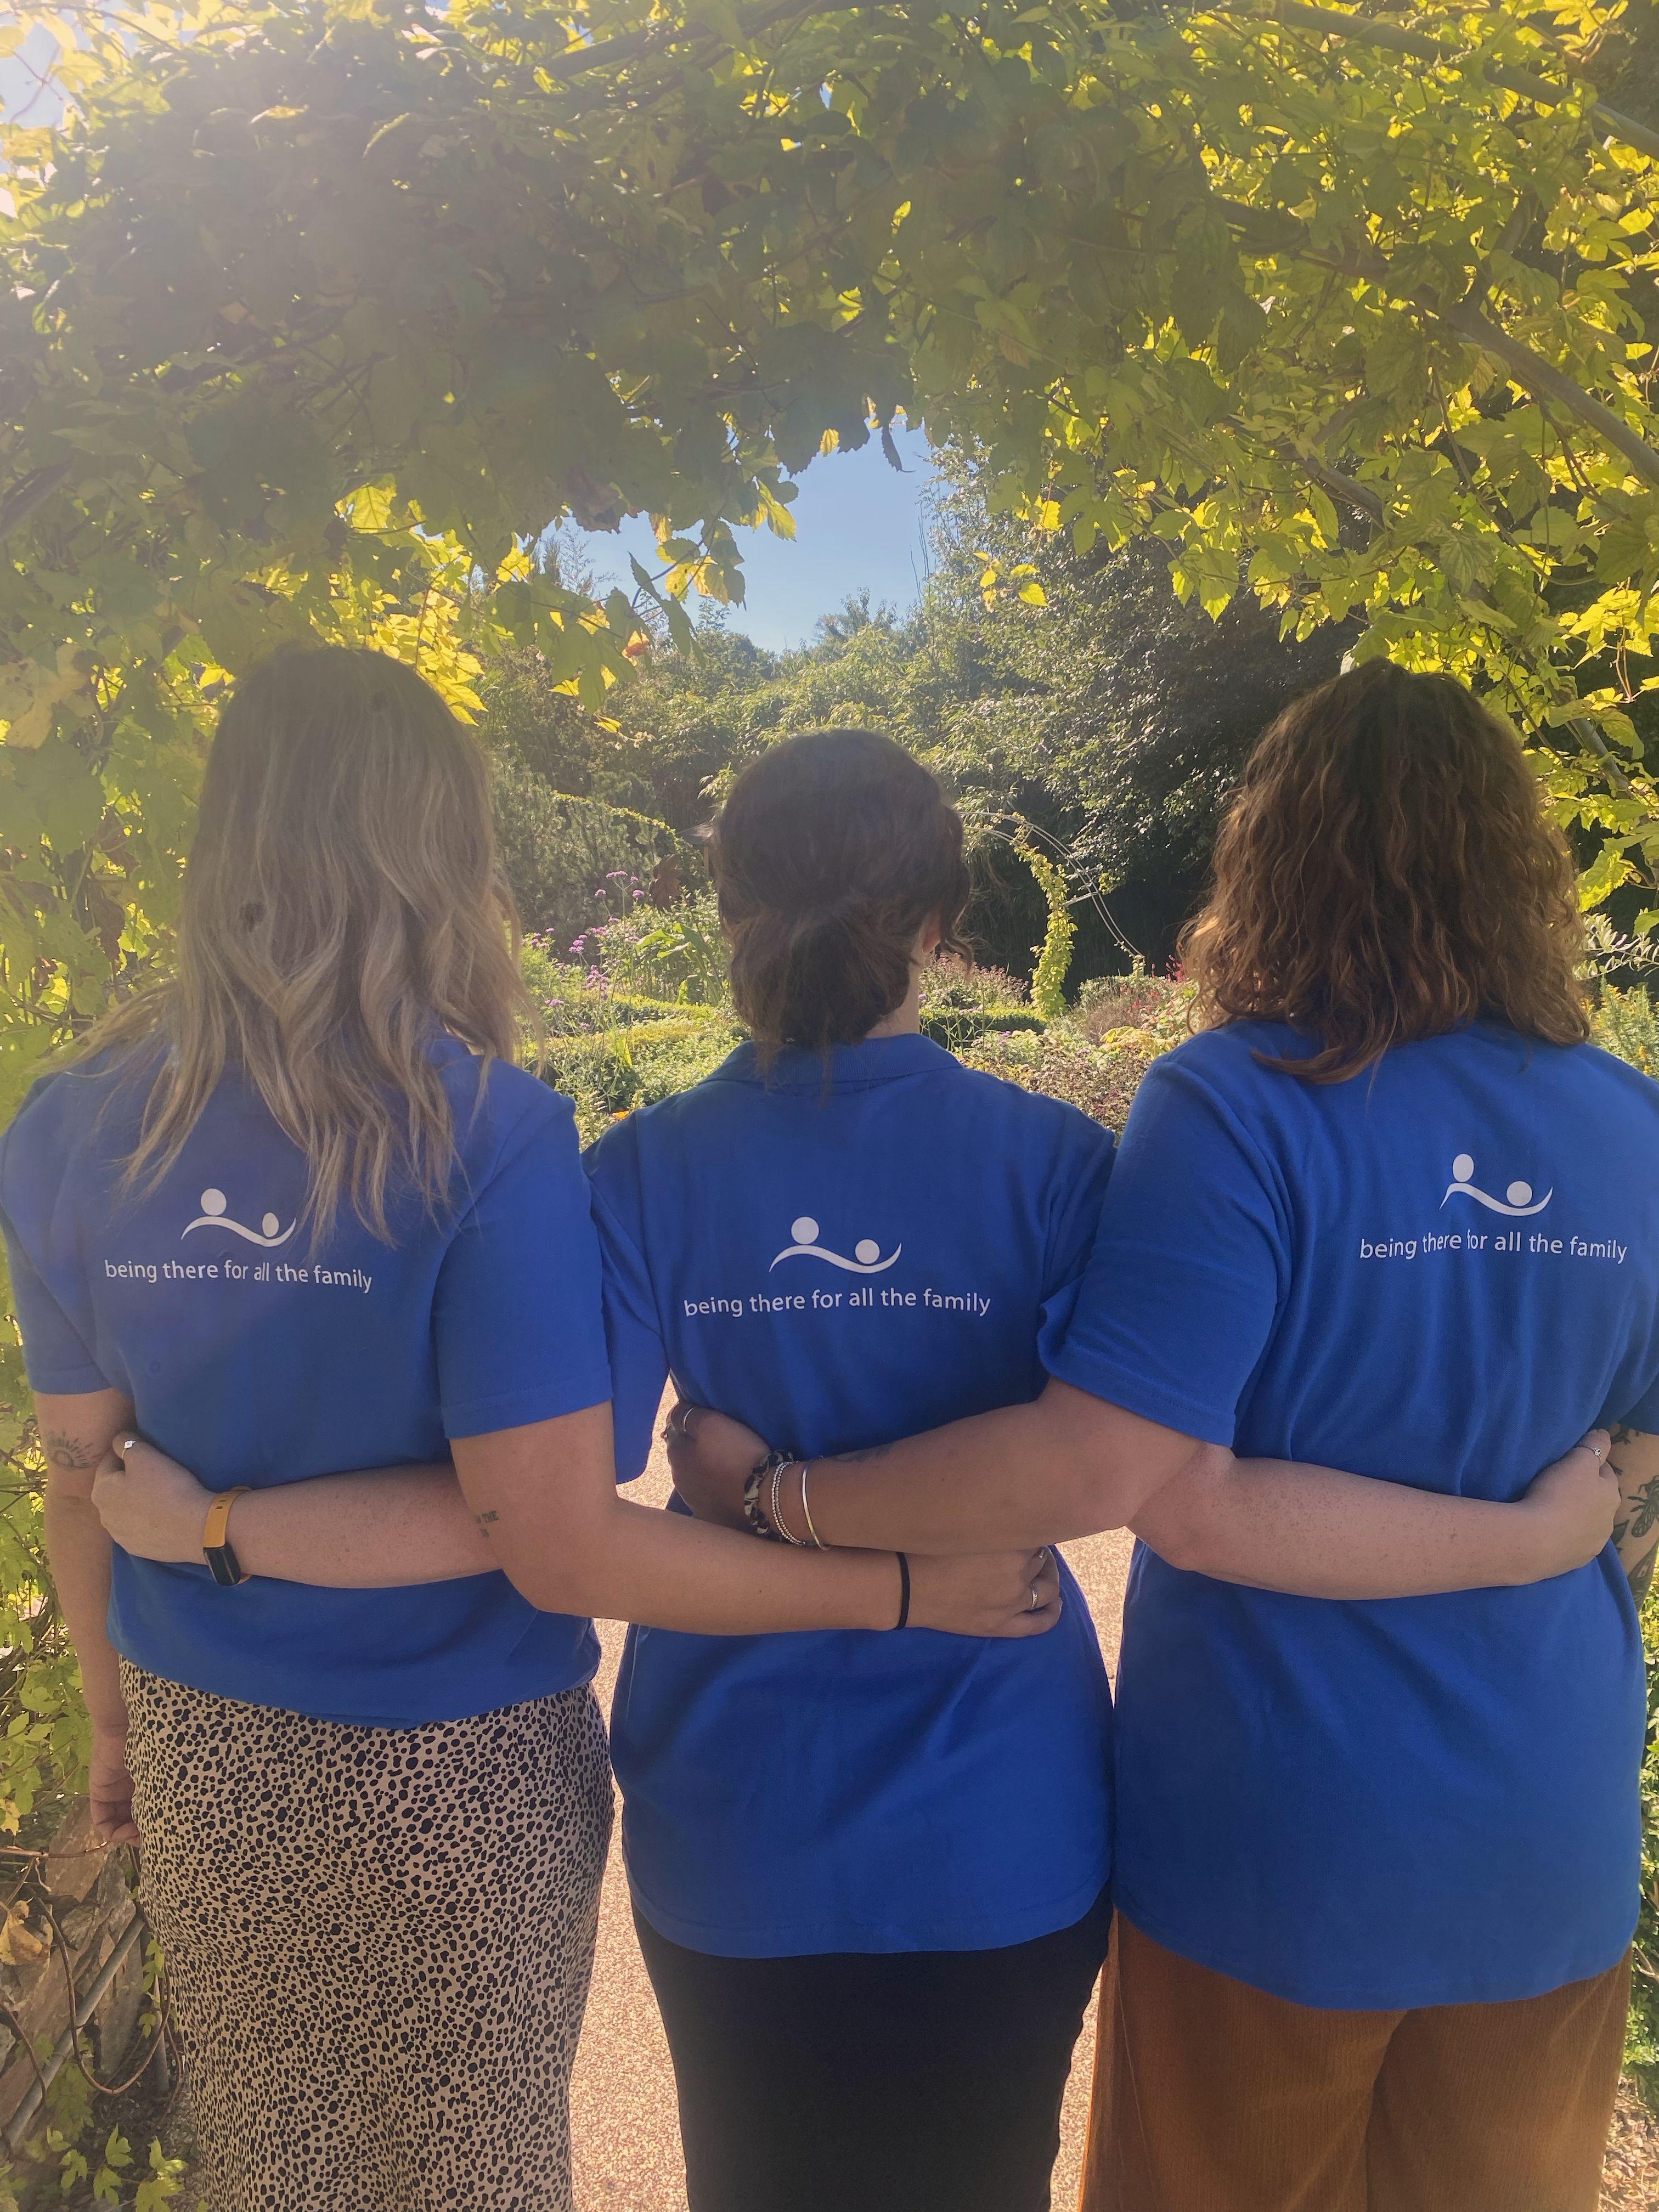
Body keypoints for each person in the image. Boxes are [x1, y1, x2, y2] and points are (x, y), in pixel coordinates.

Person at [96, 723, 1616, 2212]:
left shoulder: (637, 1174)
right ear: (942, 925)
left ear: (729, 914)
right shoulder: (1064, 1167)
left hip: (738, 1813)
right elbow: (1111, 1456)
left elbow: (558, 1514)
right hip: (1005, 1810)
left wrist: (759, 1494)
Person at [0, 651, 1060, 2212]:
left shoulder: (69, 1128)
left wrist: (118, 1710)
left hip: (207, 1740)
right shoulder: (487, 1133)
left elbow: (85, 1484)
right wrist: (879, 1569)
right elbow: (541, 1525)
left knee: (279, 2166)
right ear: (443, 854)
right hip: (464, 1765)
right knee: (474, 2171)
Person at [668, 667, 1659, 2212]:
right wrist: (1538, 1540)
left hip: (1276, 1833)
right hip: (1548, 1823)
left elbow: (1164, 1494)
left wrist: (779, 1496)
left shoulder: (1240, 1105)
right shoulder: (1629, 1120)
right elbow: (1631, 1463)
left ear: (1272, 857)